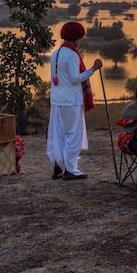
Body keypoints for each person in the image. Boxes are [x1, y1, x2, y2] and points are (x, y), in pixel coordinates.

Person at [47, 21, 103, 181]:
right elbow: (75, 78)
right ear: (76, 39)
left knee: (58, 135)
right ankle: (71, 169)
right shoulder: (72, 55)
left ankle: (57, 166)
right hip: (71, 100)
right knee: (73, 135)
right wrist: (93, 69)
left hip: (57, 100)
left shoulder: (55, 53)